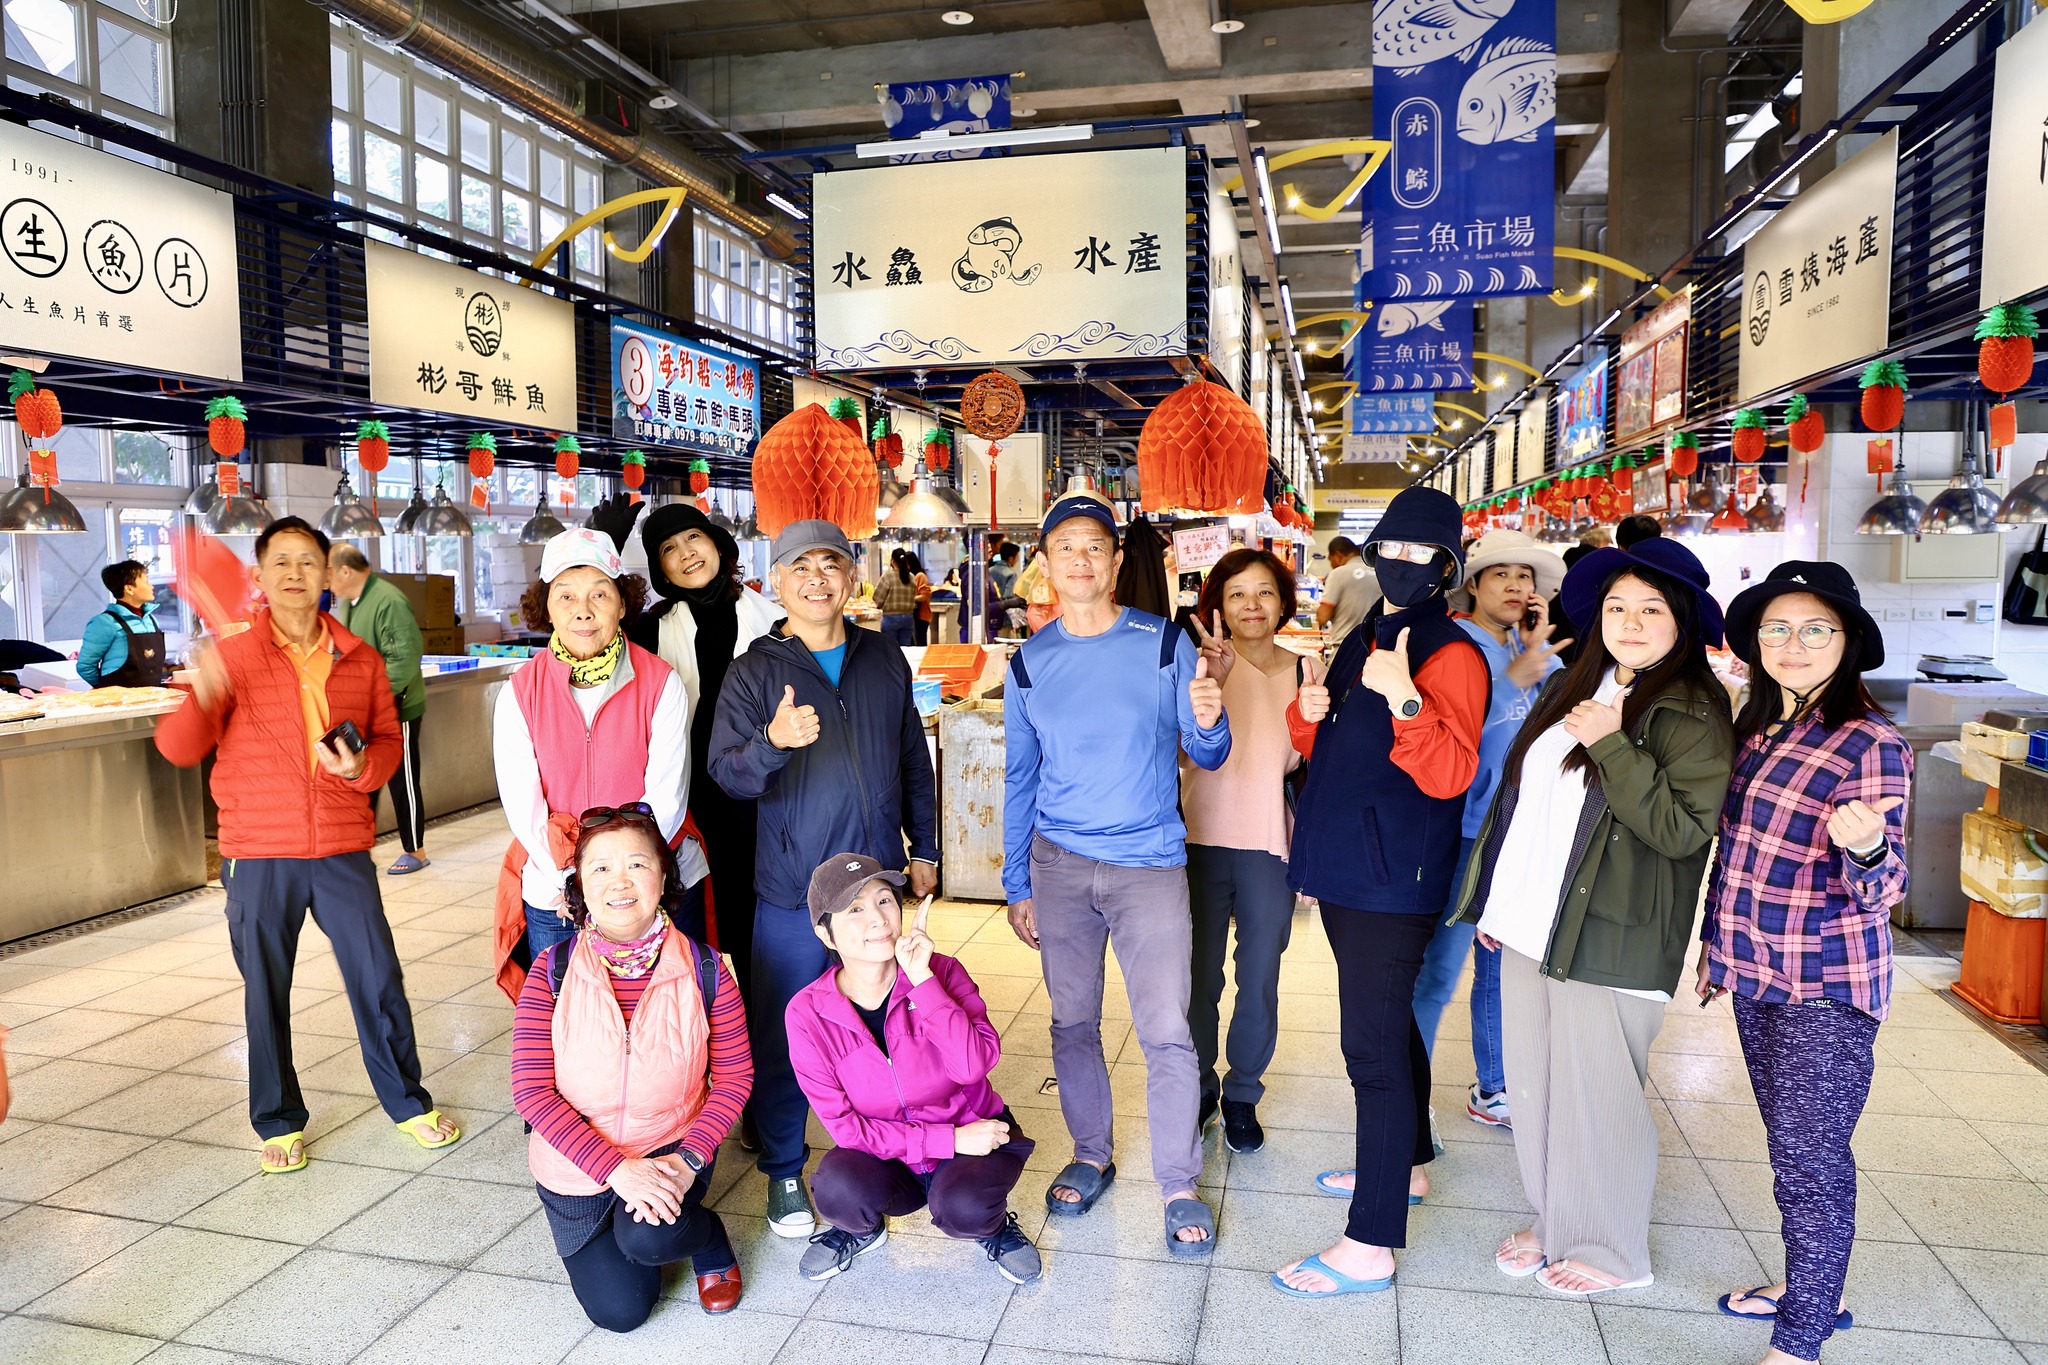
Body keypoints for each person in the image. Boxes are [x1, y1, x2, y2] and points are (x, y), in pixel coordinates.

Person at [1452, 537, 1733, 1297]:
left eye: (1649, 609)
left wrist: (1614, 745)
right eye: (1616, 607)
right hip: (1532, 922)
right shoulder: (1582, 680)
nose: (1630, 622)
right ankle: (1557, 1216)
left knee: (1598, 1095)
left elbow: (1681, 830)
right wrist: (1499, 899)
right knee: (1539, 1086)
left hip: (1612, 931)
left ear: (1681, 619)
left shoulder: (1693, 708)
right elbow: (1526, 798)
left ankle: (1613, 1249)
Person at [156, 517, 459, 1173]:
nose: (295, 573)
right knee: (265, 989)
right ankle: (277, 1118)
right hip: (259, 851)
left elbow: (384, 745)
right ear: (261, 577)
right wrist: (203, 688)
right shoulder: (232, 657)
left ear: (328, 575)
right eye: (280, 561)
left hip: (341, 847)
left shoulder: (361, 657)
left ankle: (407, 1101)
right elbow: (178, 748)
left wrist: (359, 770)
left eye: (308, 561)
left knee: (377, 977)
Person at [1002, 492, 1231, 1258]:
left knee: (1166, 1027)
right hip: (1059, 866)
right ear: (1047, 561)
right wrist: (1016, 880)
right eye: (1063, 545)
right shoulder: (1030, 661)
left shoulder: (1165, 644)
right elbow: (1020, 778)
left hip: (1149, 865)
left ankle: (1178, 1181)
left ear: (1116, 559)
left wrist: (1209, 715)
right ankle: (1091, 1150)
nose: (1079, 558)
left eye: (1093, 545)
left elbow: (1208, 755)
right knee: (1072, 1021)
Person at [1272, 486, 1486, 1299]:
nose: (1400, 564)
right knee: (1389, 1024)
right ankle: (1411, 1164)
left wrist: (1403, 695)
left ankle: (1370, 1242)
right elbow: (1322, 743)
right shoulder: (1372, 628)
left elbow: (1451, 770)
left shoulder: (1450, 651)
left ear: (1446, 565)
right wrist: (1309, 706)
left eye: (1419, 554)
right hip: (1347, 862)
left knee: (1370, 1048)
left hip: (1394, 876)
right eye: (1388, 550)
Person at [709, 520, 939, 1239]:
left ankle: (886, 1151)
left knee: (887, 1027)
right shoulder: (753, 672)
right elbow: (726, 774)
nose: (817, 578)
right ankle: (783, 1169)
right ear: (776, 580)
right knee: (783, 1033)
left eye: (831, 564)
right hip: (791, 890)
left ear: (853, 575)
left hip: (875, 885)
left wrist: (925, 844)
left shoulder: (882, 657)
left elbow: (912, 756)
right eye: (799, 566)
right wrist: (773, 744)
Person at [1703, 562, 1910, 1365]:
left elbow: (1884, 888)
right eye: (1777, 628)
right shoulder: (1758, 732)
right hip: (1756, 976)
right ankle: (1815, 1288)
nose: (1794, 644)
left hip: (1825, 985)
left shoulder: (1872, 744)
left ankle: (1801, 1340)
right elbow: (1738, 858)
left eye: (1815, 628)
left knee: (1809, 1158)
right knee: (1791, 1146)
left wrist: (1866, 848)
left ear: (1847, 641)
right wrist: (1715, 956)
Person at [512, 804, 752, 1328]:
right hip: (575, 1167)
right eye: (600, 868)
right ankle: (629, 1229)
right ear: (580, 883)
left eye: (638, 864)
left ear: (664, 874)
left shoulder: (707, 969)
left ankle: (707, 1239)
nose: (620, 882)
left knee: (649, 1237)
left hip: (670, 1150)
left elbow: (735, 1078)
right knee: (621, 1313)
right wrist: (617, 1169)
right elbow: (532, 1093)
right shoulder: (550, 971)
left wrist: (687, 1162)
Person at [787, 852, 1041, 1284]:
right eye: (854, 909)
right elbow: (846, 1129)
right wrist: (947, 1139)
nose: (878, 919)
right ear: (824, 934)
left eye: (885, 900)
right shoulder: (807, 1013)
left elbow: (974, 1064)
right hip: (895, 1151)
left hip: (975, 1134)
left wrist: (923, 982)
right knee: (837, 1188)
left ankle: (993, 1228)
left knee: (964, 1206)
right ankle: (860, 1229)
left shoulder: (942, 972)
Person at [491, 528, 710, 1001]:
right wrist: (577, 883)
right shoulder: (520, 693)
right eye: (565, 596)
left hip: (655, 879)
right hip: (556, 886)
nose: (582, 610)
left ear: (622, 602)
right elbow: (523, 807)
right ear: (546, 607)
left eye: (599, 593)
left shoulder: (660, 682)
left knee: (672, 1017)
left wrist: (624, 879)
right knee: (569, 1020)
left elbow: (666, 799)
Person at [1412, 529, 1568, 1131]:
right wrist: (1518, 674)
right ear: (1472, 584)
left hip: (1521, 840)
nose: (1515, 586)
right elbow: (1441, 739)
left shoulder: (1539, 656)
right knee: (1439, 969)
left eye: (1525, 577)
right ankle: (1409, 1091)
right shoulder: (1456, 646)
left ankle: (1494, 1087)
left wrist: (1537, 661)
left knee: (1501, 968)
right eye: (1500, 574)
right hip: (1462, 835)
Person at [615, 501, 781, 1041]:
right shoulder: (649, 631)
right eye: (668, 549)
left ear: (718, 546)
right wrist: (608, 556)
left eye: (694, 539)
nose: (686, 554)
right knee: (696, 938)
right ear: (658, 569)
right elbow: (595, 644)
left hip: (763, 804)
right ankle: (706, 1063)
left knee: (762, 940)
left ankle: (765, 1083)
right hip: (690, 809)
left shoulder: (771, 617)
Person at [1181, 549, 1307, 1154]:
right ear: (1218, 605)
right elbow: (1172, 752)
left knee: (1259, 975)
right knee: (1198, 976)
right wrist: (1210, 683)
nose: (1251, 605)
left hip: (1268, 844)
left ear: (1283, 602)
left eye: (1263, 593)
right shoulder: (1195, 667)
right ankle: (1201, 1085)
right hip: (1198, 841)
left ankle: (1243, 1093)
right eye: (1236, 594)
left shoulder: (1308, 674)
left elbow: (1313, 767)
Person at [327, 544, 430, 875]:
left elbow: (404, 659)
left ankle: (416, 849)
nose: (325, 582)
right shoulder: (350, 603)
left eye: (328, 574)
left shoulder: (388, 601)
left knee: (403, 780)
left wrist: (378, 699)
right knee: (360, 777)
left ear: (345, 571)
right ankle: (358, 847)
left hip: (395, 708)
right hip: (364, 710)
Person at [76, 560, 166, 688]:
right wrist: (107, 689)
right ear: (129, 588)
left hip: (152, 698)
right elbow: (85, 667)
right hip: (119, 702)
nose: (151, 586)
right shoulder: (104, 622)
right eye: (146, 581)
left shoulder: (151, 620)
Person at [1315, 536, 1379, 645]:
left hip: (1345, 647)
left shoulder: (1338, 574)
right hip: (1375, 647)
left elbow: (1322, 617)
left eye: (1331, 561)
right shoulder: (1379, 572)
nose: (1332, 566)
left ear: (1338, 555)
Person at [875, 548, 920, 646]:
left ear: (893, 561)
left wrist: (880, 605)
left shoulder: (887, 576)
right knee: (905, 650)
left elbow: (878, 597)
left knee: (890, 650)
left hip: (890, 618)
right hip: (908, 617)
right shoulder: (911, 577)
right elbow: (914, 594)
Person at [908, 550, 935, 646]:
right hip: (913, 615)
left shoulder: (920, 576)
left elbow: (925, 595)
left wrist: (909, 599)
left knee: (920, 643)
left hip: (921, 615)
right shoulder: (909, 577)